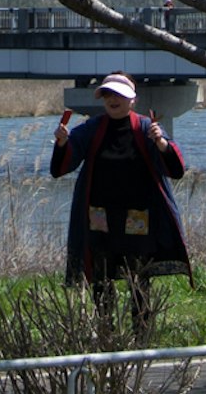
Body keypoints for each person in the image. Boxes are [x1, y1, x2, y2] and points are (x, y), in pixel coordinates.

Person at [50, 73, 191, 324]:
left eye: (118, 95)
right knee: (101, 278)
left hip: (138, 216)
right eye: (108, 95)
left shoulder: (148, 128)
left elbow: (176, 169)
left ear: (132, 100)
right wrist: (61, 143)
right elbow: (61, 167)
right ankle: (106, 333)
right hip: (100, 215)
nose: (112, 100)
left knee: (138, 278)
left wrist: (161, 143)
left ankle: (141, 335)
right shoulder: (92, 128)